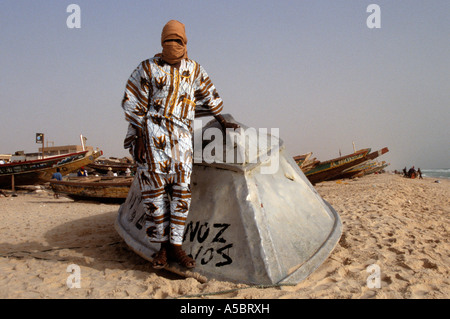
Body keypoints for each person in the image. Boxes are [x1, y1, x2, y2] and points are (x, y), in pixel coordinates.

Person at [121, 20, 238, 269]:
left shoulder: (194, 69)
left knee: (181, 192)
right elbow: (132, 100)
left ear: (185, 42)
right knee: (154, 195)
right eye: (167, 41)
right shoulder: (148, 68)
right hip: (152, 137)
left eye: (177, 41)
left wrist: (221, 120)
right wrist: (140, 137)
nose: (172, 45)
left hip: (182, 139)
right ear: (161, 42)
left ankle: (176, 248)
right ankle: (161, 249)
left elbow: (209, 94)